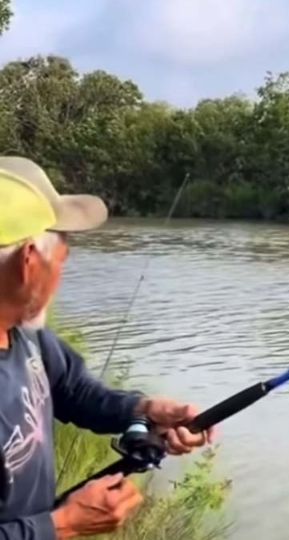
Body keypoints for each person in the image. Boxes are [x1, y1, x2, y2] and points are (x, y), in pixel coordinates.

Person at [0, 157, 217, 539]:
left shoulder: (25, 333)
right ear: (28, 263)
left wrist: (145, 412)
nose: (62, 274)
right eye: (62, 259)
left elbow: (73, 390)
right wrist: (62, 524)